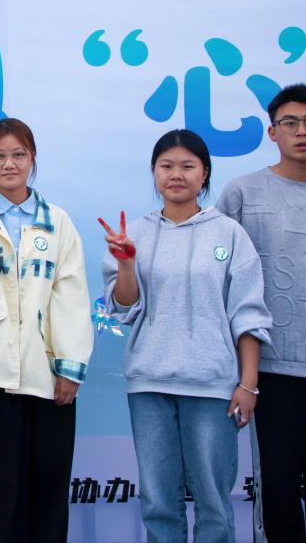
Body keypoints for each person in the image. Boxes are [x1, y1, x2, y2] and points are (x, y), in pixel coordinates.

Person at [102, 129, 271, 542]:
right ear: (153, 171)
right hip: (150, 385)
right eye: (166, 166)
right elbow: (123, 308)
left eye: (187, 166)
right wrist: (126, 265)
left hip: (213, 386)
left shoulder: (229, 234)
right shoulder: (134, 233)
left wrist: (248, 384)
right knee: (159, 503)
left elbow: (248, 314)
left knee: (214, 503)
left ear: (204, 173)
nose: (176, 174)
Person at [216, 83, 306, 542]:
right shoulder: (241, 195)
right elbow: (218, 277)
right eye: (290, 123)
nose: (302, 131)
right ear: (272, 132)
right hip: (272, 368)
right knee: (277, 488)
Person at [0, 118, 92, 542]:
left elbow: (71, 296)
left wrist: (69, 367)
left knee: (49, 492)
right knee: (2, 493)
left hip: (47, 375)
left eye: (18, 155)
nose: (8, 164)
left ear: (32, 159)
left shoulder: (57, 221)